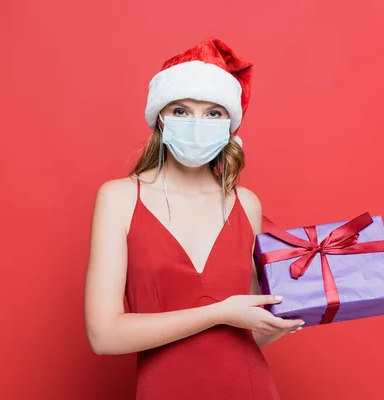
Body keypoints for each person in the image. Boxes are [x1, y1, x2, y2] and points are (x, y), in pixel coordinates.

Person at [84, 38, 304, 400]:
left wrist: (284, 322)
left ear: (230, 124)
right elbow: (103, 334)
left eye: (213, 113)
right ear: (160, 119)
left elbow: (248, 330)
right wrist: (218, 313)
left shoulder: (245, 204)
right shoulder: (119, 198)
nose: (197, 123)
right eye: (182, 111)